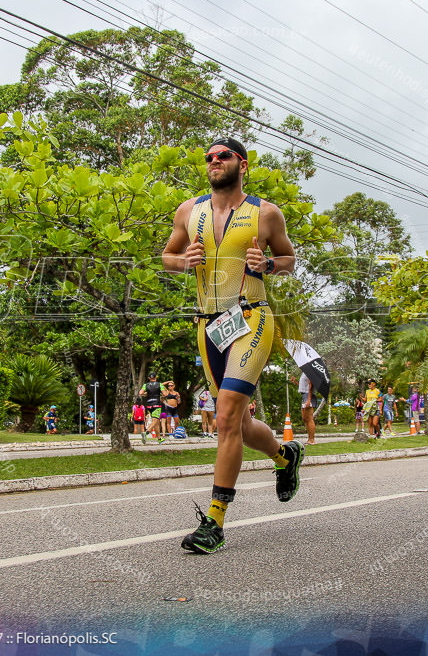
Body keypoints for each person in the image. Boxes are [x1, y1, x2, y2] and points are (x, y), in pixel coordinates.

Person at [161, 136, 302, 554]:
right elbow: (166, 256)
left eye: (222, 156)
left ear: (242, 164)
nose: (213, 162)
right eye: (208, 157)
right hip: (208, 326)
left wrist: (270, 264)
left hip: (252, 319)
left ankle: (215, 522)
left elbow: (289, 260)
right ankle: (284, 455)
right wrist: (182, 260)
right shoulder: (189, 211)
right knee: (236, 425)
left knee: (224, 415)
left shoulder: (266, 213)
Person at [140, 372, 164, 440]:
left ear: (149, 378)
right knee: (155, 420)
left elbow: (140, 393)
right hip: (157, 405)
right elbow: (165, 394)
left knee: (155, 422)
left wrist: (146, 393)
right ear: (156, 377)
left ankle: (159, 439)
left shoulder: (145, 385)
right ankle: (146, 433)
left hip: (149, 405)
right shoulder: (160, 384)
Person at [298, 374, 317, 445]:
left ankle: (312, 439)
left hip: (308, 396)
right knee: (305, 418)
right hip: (304, 395)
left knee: (309, 418)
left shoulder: (310, 372)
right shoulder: (304, 372)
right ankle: (309, 438)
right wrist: (296, 382)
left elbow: (311, 385)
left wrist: (309, 399)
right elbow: (304, 387)